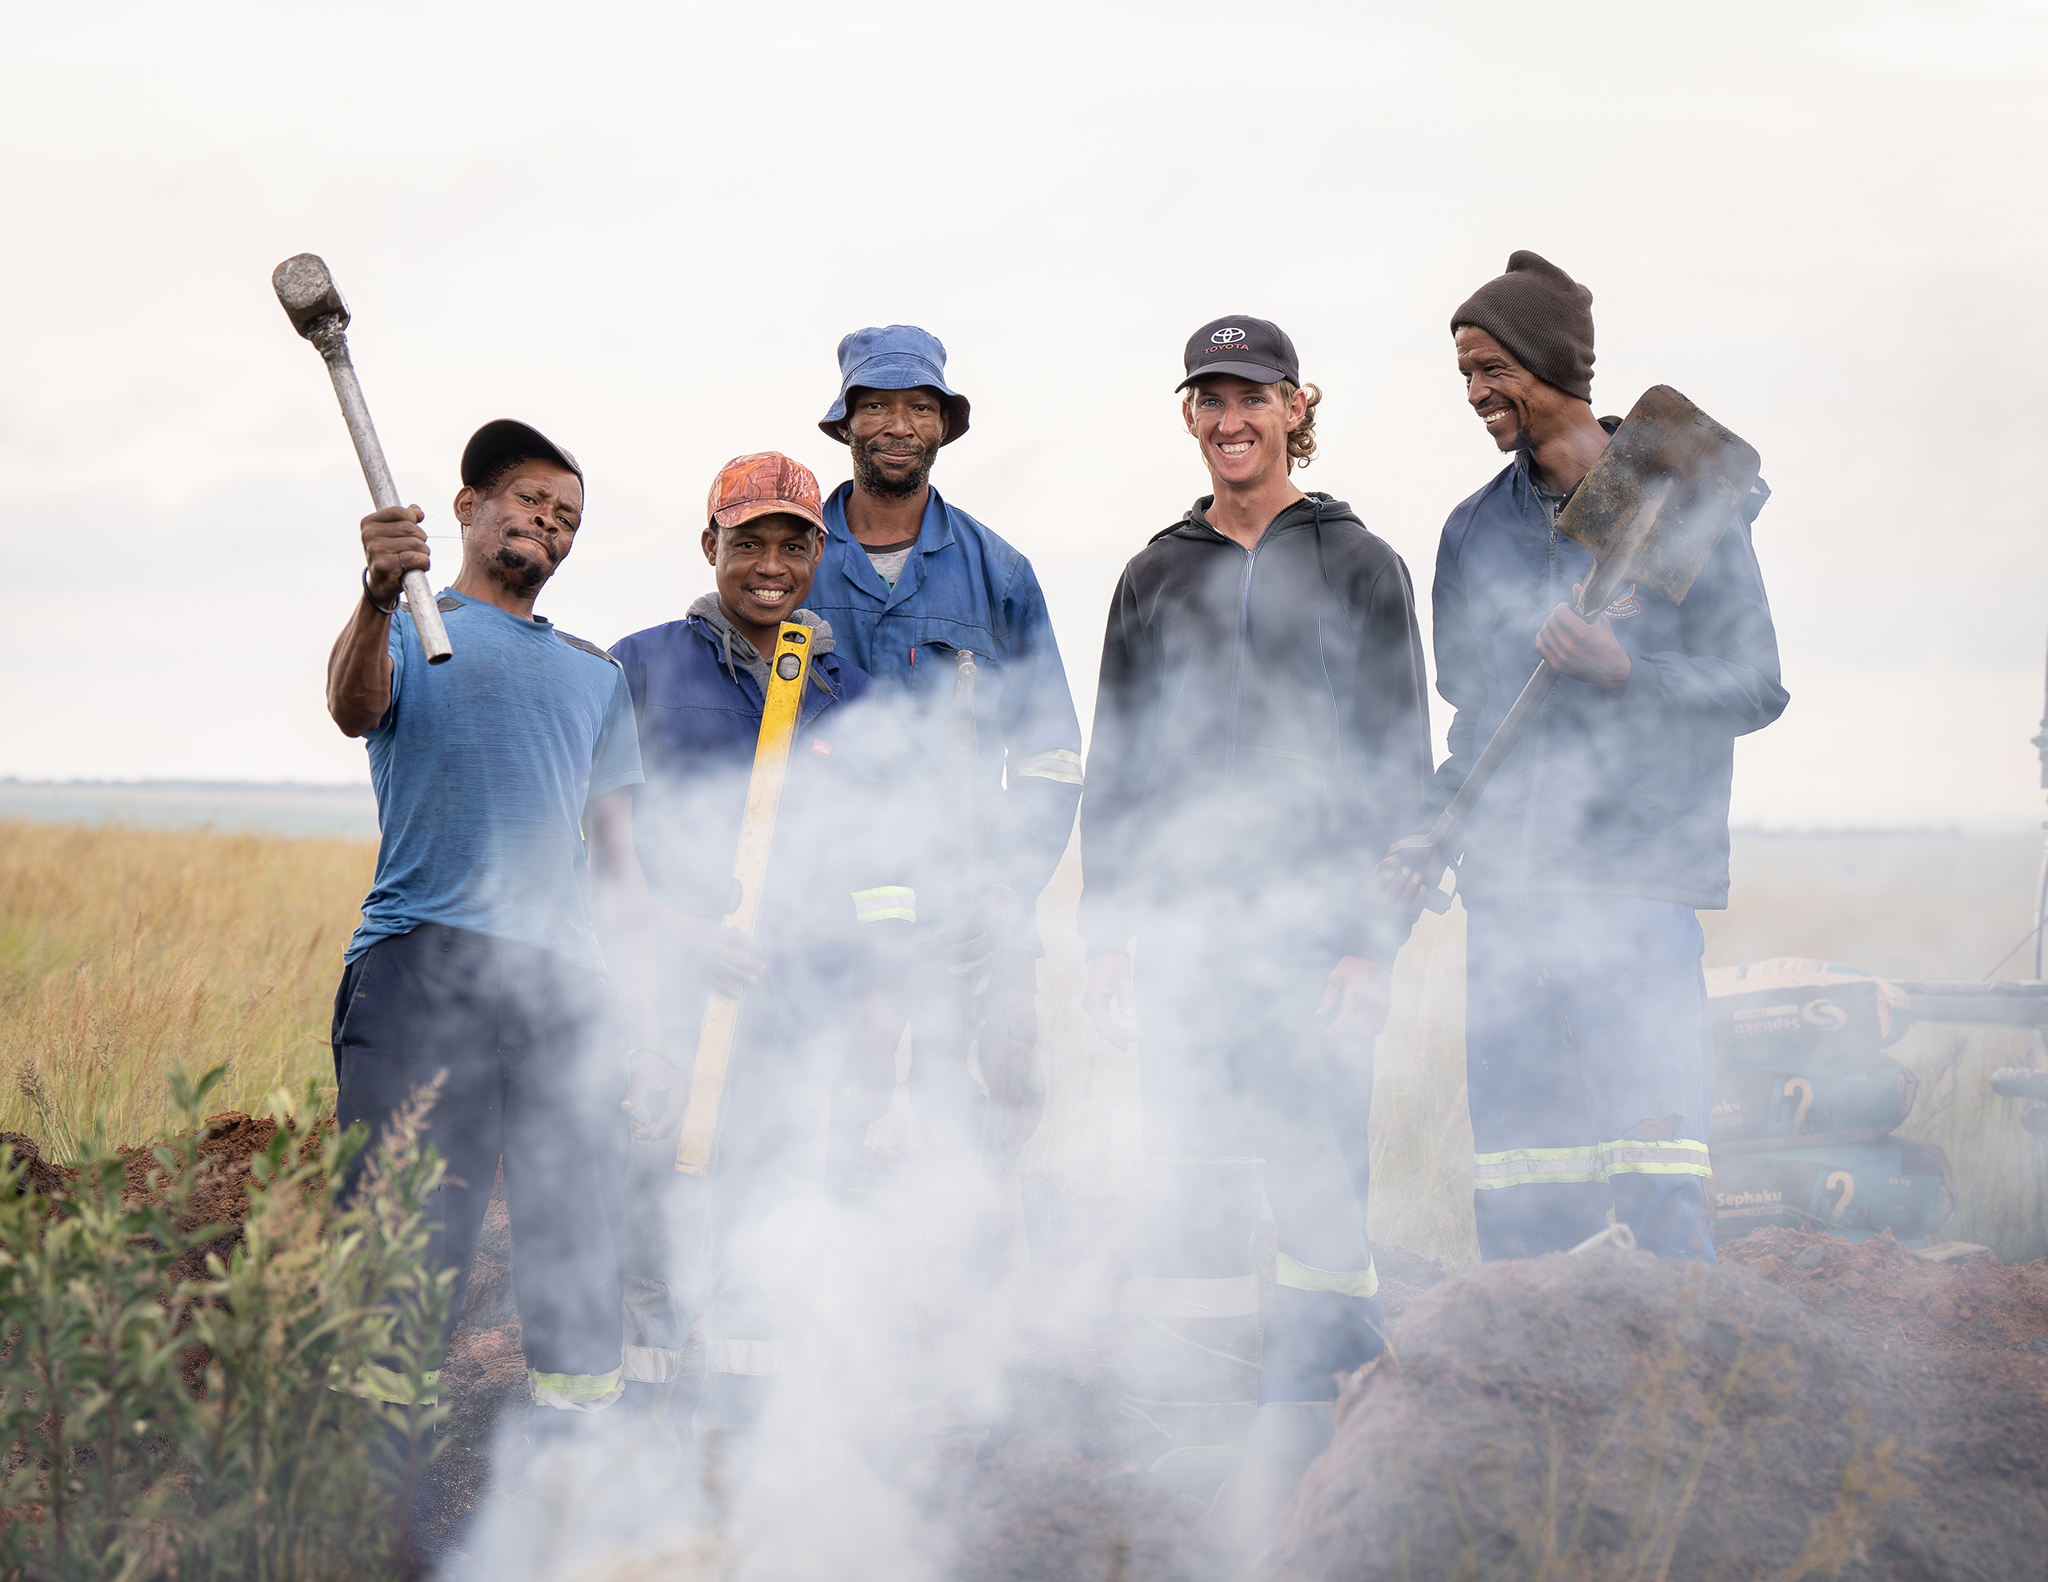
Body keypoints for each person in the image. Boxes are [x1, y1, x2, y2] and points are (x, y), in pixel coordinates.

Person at [1389, 250, 1788, 1263]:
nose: (1475, 393)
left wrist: (1625, 672)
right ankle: (1535, 1407)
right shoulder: (1471, 532)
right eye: (1464, 374)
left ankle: (1672, 1403)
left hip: (1634, 889)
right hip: (1512, 898)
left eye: (1489, 367)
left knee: (1653, 1177)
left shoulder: (1675, 494)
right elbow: (1477, 723)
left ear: (1551, 363)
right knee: (1524, 1182)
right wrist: (1433, 834)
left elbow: (1754, 684)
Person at [1079, 316, 1434, 1400]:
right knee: (1191, 1170)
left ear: (1295, 407)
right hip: (1186, 940)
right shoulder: (1152, 574)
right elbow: (1119, 768)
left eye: (1253, 396)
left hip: (1318, 940)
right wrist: (1109, 938)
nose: (1230, 418)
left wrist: (1370, 948)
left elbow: (1400, 775)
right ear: (1188, 415)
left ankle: (1322, 1405)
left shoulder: (1359, 563)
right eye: (1209, 398)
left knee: (1320, 1175)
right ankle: (1200, 1401)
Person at [326, 418, 682, 1418]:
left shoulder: (594, 674)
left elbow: (620, 873)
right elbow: (353, 708)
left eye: (567, 517)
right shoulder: (404, 622)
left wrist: (648, 1037)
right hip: (419, 965)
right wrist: (370, 592)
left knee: (574, 1241)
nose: (548, 525)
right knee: (396, 1249)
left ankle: (574, 1498)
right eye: (530, 501)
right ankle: (370, 1509)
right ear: (468, 507)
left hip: (562, 989)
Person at [608, 452, 913, 1425]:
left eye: (791, 543)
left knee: (767, 1243)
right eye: (747, 543)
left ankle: (742, 1466)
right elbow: (601, 849)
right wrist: (675, 936)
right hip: (665, 1020)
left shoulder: (853, 697)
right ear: (710, 548)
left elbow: (885, 881)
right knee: (649, 1244)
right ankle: (644, 1459)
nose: (769, 563)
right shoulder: (642, 665)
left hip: (801, 1025)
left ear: (819, 553)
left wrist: (875, 1020)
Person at [803, 326, 1085, 1174]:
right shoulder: (790, 559)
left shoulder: (1001, 573)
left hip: (977, 906)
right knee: (821, 1116)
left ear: (945, 426)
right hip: (825, 906)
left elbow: (1048, 755)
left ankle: (984, 1287)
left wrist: (1010, 887)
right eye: (877, 405)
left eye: (918, 407)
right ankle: (828, 1290)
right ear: (845, 422)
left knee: (988, 1116)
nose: (897, 424)